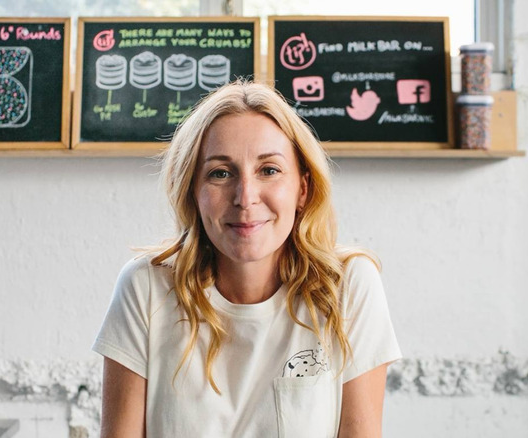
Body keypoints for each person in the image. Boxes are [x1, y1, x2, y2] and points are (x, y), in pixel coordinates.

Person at [93, 80, 401, 437]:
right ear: (193, 191)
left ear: (302, 188)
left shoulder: (348, 286)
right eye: (220, 173)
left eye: (269, 170)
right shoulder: (144, 288)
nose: (245, 197)